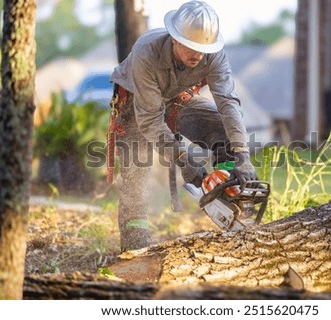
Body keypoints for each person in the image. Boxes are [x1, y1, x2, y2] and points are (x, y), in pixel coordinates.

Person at [110, 0, 258, 251]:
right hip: (137, 101)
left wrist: (243, 155)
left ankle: (228, 193)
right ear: (175, 38)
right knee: (137, 168)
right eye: (191, 47)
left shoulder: (213, 55)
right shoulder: (147, 51)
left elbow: (228, 103)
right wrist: (184, 161)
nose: (198, 55)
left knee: (221, 128)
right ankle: (135, 244)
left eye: (203, 49)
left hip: (178, 96)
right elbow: (150, 119)